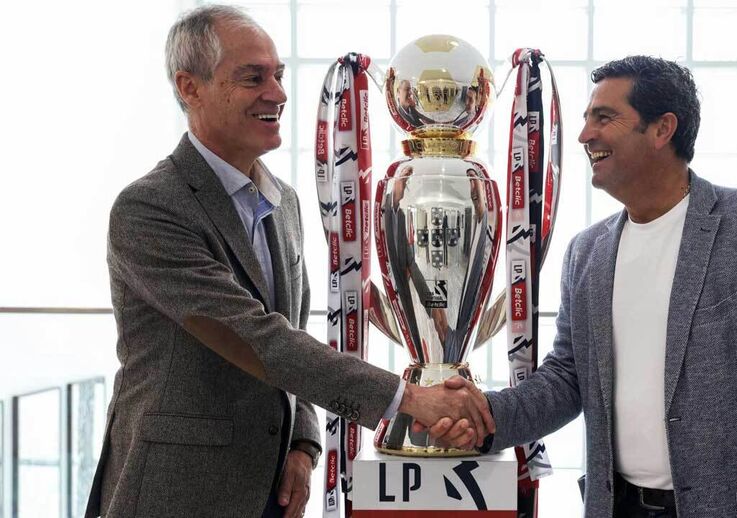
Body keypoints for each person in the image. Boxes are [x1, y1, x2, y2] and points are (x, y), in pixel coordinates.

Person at [84, 6, 492, 518]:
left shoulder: (284, 202)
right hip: (177, 492)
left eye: (278, 75)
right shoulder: (150, 208)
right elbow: (253, 336)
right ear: (190, 87)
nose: (277, 93)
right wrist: (409, 398)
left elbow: (292, 330)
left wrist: (303, 444)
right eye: (253, 78)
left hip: (272, 487)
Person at [436, 55, 737, 516]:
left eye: (604, 118)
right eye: (587, 119)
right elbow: (567, 379)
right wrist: (486, 414)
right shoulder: (586, 253)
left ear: (662, 129)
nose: (584, 135)